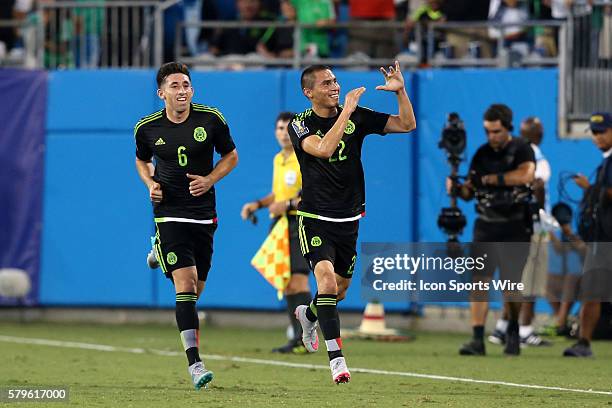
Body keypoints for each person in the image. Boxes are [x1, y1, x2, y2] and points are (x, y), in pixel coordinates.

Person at [288, 62, 416, 383]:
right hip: (315, 217)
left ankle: (309, 314)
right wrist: (346, 112)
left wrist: (400, 91)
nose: (334, 87)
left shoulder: (356, 114)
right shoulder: (300, 124)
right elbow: (324, 148)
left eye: (335, 81)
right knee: (327, 284)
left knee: (339, 291)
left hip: (349, 218)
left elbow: (407, 124)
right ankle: (337, 361)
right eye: (326, 84)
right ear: (309, 93)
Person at [134, 62, 238, 389]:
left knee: (197, 290)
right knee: (186, 285)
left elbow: (231, 156)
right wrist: (149, 182)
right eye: (175, 86)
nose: (182, 91)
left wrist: (209, 179)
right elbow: (141, 159)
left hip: (204, 214)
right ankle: (195, 364)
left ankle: (159, 252)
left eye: (186, 85)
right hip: (169, 212)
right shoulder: (146, 128)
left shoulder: (211, 119)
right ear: (161, 93)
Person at [451, 104, 536, 357]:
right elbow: (470, 190)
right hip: (486, 225)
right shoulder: (481, 153)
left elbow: (525, 176)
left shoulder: (521, 148)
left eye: (496, 131)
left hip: (515, 224)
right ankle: (478, 338)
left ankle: (512, 330)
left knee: (510, 283)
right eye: (488, 131)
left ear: (508, 127)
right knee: (478, 283)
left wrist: (490, 180)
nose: (492, 137)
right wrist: (457, 188)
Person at [240, 111, 312, 354]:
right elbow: (278, 195)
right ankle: (298, 337)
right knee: (287, 283)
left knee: (299, 280)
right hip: (280, 225)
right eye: (280, 128)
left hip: (300, 224)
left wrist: (289, 205)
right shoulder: (279, 159)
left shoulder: (305, 156)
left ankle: (306, 337)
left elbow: (312, 195)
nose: (283, 133)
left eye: (287, 128)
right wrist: (257, 204)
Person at [489, 116, 552, 347]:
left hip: (508, 224)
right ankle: (524, 329)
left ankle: (501, 328)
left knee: (512, 280)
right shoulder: (536, 157)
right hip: (531, 227)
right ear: (539, 134)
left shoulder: (510, 153)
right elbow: (538, 184)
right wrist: (539, 214)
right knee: (529, 281)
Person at [563, 112, 612, 357]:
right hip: (601, 239)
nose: (597, 137)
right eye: (594, 132)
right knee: (591, 291)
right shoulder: (605, 162)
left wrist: (590, 189)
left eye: (602, 131)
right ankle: (583, 343)